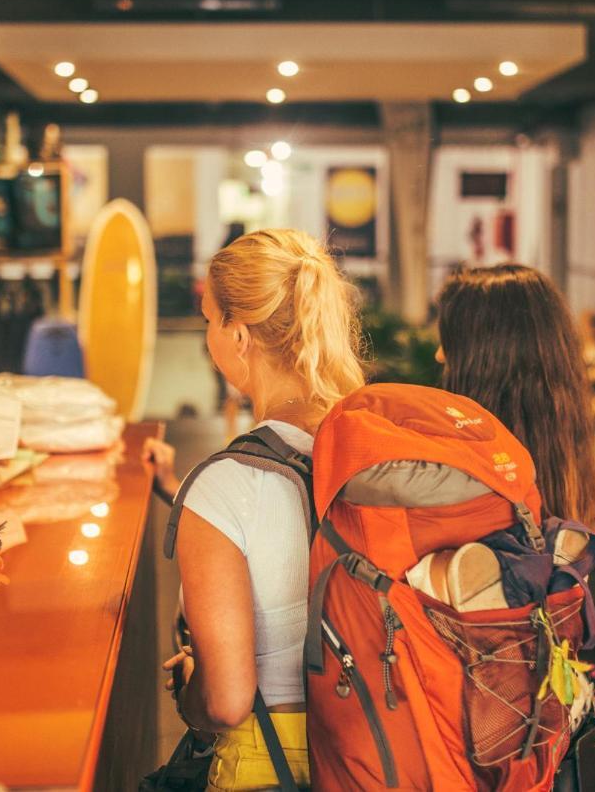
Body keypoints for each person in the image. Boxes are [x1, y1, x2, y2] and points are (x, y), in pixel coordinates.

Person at [158, 228, 365, 790]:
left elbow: (226, 702)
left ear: (239, 334)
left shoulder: (224, 487)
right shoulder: (370, 447)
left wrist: (191, 692)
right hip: (378, 751)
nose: (209, 337)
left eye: (209, 320)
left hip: (271, 765)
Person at [436, 264, 595, 541]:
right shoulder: (564, 444)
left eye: (450, 343)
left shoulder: (458, 466)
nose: (439, 356)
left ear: (486, 356)